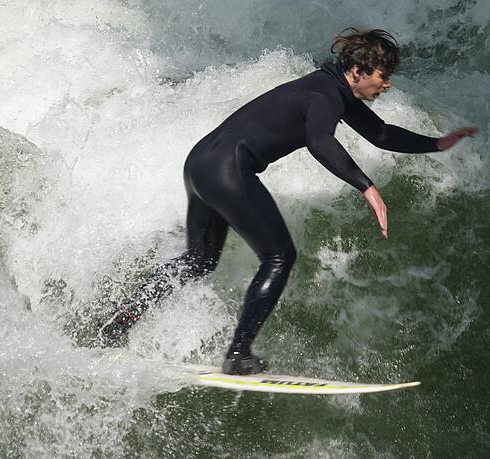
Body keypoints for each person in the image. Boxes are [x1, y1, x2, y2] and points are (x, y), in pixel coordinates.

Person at [97, 28, 477, 375]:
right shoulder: (324, 97)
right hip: (229, 170)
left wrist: (437, 144)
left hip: (199, 165)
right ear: (359, 71)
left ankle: (122, 319)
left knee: (199, 260)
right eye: (383, 76)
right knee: (279, 257)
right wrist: (366, 186)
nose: (388, 84)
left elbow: (380, 134)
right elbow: (320, 141)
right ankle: (239, 355)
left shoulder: (327, 90)